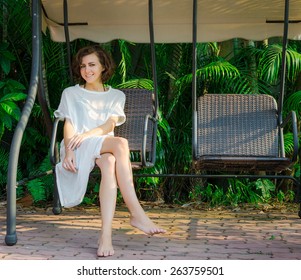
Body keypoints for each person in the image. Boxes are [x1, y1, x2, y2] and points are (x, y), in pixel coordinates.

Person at [54, 45, 166, 257]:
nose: (87, 70)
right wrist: (68, 151)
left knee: (110, 163)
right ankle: (137, 213)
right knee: (121, 144)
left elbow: (109, 126)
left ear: (103, 66)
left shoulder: (116, 95)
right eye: (83, 66)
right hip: (77, 146)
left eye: (92, 65)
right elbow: (68, 125)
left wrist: (88, 134)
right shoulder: (71, 93)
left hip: (101, 143)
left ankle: (105, 236)